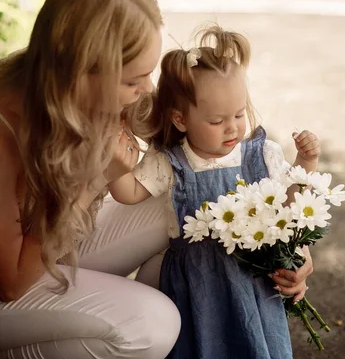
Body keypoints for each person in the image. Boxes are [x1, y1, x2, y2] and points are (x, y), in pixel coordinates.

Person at [0, 0, 180, 359]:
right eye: (134, 80)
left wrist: (285, 246)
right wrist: (94, 181)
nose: (146, 89)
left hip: (48, 247)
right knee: (152, 324)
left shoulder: (83, 95)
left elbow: (207, 132)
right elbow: (11, 283)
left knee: (180, 203)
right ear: (81, 74)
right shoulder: (4, 129)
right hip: (8, 287)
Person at [108, 25, 319, 359]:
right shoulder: (171, 162)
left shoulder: (260, 156)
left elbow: (292, 208)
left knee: (257, 345)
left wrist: (305, 162)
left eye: (238, 113)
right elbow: (130, 193)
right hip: (196, 288)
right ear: (180, 119)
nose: (233, 126)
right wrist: (115, 167)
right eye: (217, 120)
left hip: (253, 285)